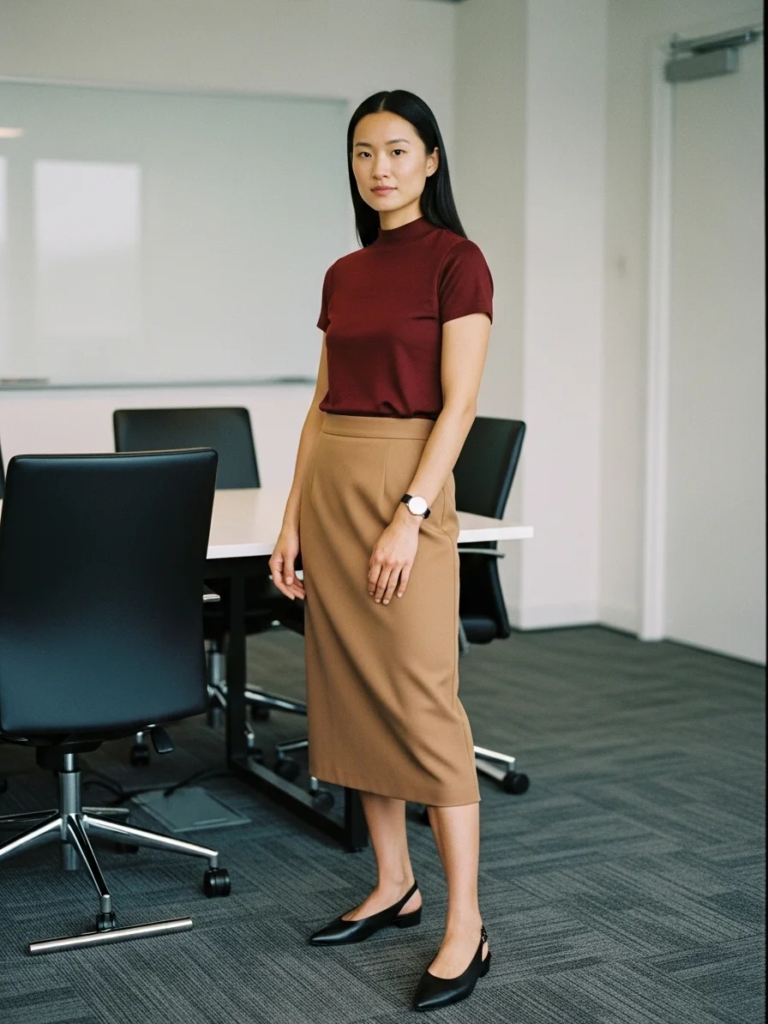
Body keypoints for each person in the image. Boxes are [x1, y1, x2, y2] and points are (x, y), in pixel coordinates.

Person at [269, 89, 493, 1013]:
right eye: (365, 153)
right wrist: (291, 520)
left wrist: (410, 512)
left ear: (432, 160)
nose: (381, 168)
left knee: (422, 704)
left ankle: (467, 923)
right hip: (334, 488)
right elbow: (322, 405)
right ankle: (394, 883)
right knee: (352, 696)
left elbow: (460, 406)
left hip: (409, 489)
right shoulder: (344, 271)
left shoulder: (459, 262)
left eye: (399, 150)